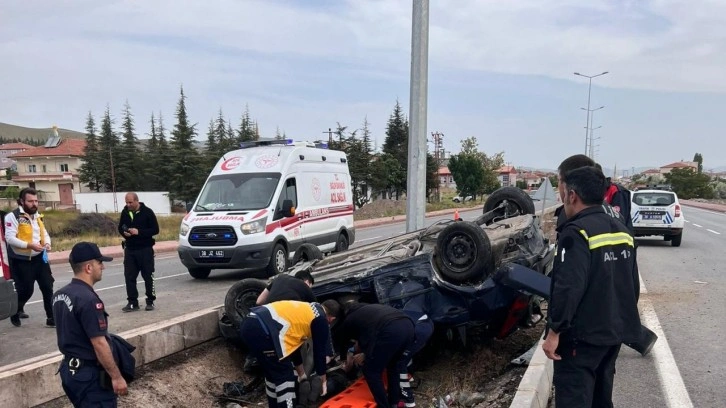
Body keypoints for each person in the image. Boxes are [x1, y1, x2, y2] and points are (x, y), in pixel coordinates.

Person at [543, 166, 642, 407]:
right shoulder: (623, 231)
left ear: (572, 195)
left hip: (581, 339)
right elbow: (632, 287)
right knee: (601, 398)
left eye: (562, 190)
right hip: (612, 335)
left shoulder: (576, 233)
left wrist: (555, 331)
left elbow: (569, 287)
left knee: (575, 399)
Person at [555, 154, 657, 357]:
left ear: (571, 189)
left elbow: (569, 283)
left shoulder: (575, 226)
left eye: (559, 182)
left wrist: (555, 329)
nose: (559, 188)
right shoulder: (616, 218)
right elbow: (630, 279)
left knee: (578, 387)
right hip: (613, 326)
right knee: (602, 386)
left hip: (584, 333)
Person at [53, 242, 128, 406]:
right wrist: (116, 377)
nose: (103, 267)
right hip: (90, 377)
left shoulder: (60, 295)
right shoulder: (88, 300)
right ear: (88, 267)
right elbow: (99, 343)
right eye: (99, 263)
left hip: (70, 371)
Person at [240, 299, 341, 408]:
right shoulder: (320, 319)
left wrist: (301, 374)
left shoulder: (307, 309)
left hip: (249, 322)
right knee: (285, 378)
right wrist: (323, 379)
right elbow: (319, 351)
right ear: (331, 318)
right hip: (264, 331)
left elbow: (293, 347)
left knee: (272, 375)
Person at [338, 302, 416, 408]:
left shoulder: (349, 319)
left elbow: (343, 343)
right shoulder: (369, 310)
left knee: (371, 371)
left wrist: (345, 361)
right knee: (393, 366)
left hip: (390, 330)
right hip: (409, 326)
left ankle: (383, 405)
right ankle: (394, 402)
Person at [4, 188, 54, 327]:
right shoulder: (13, 216)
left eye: (36, 201)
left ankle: (51, 318)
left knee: (47, 286)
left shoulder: (37, 216)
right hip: (21, 260)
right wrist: (29, 245)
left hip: (39, 258)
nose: (34, 204)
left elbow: (43, 232)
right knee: (26, 289)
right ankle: (16, 310)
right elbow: (10, 238)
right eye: (30, 201)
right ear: (21, 201)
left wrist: (48, 243)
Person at [118, 192, 159, 312]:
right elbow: (120, 226)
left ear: (137, 201)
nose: (128, 204)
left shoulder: (147, 212)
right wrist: (124, 232)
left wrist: (139, 232)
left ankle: (150, 301)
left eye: (130, 202)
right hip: (130, 249)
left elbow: (155, 229)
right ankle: (132, 302)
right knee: (129, 277)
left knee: (148, 275)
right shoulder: (125, 212)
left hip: (145, 249)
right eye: (126, 202)